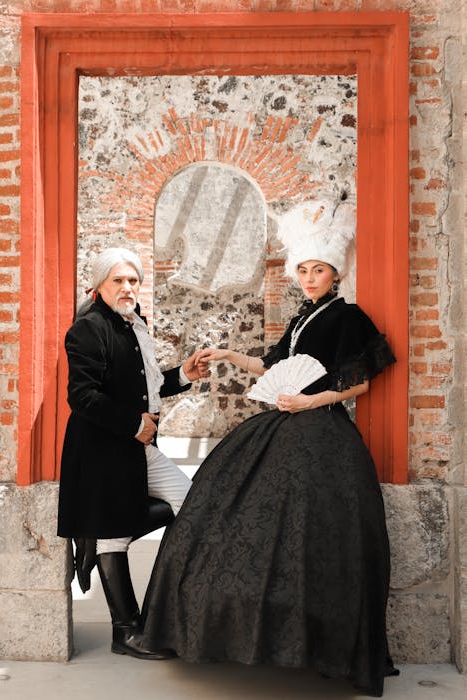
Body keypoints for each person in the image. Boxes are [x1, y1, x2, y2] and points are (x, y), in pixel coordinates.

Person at [139, 210, 399, 695]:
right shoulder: (303, 316)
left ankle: (309, 641)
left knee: (307, 526)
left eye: (317, 270)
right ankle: (236, 630)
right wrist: (228, 356)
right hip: (280, 423)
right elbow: (271, 364)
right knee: (228, 507)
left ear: (335, 273)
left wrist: (306, 400)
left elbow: (358, 382)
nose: (308, 278)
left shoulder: (347, 317)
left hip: (321, 430)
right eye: (302, 270)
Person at [57, 247, 208, 660]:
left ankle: (99, 538)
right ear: (99, 285)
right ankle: (126, 631)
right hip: (104, 450)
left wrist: (183, 375)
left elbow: (146, 386)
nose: (127, 288)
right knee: (115, 536)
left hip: (138, 448)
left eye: (133, 280)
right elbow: (82, 397)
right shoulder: (89, 328)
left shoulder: (134, 325)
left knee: (191, 503)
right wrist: (134, 424)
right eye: (118, 280)